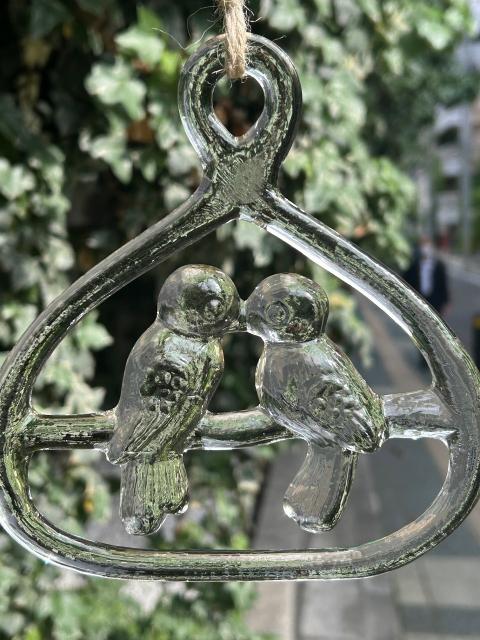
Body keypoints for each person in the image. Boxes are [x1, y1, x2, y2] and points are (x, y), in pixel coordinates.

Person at [404, 237, 450, 316]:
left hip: (435, 302)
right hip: (418, 301)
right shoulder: (413, 266)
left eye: (428, 245)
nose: (426, 249)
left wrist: (446, 302)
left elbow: (443, 285)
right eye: (423, 245)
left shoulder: (439, 266)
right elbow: (406, 282)